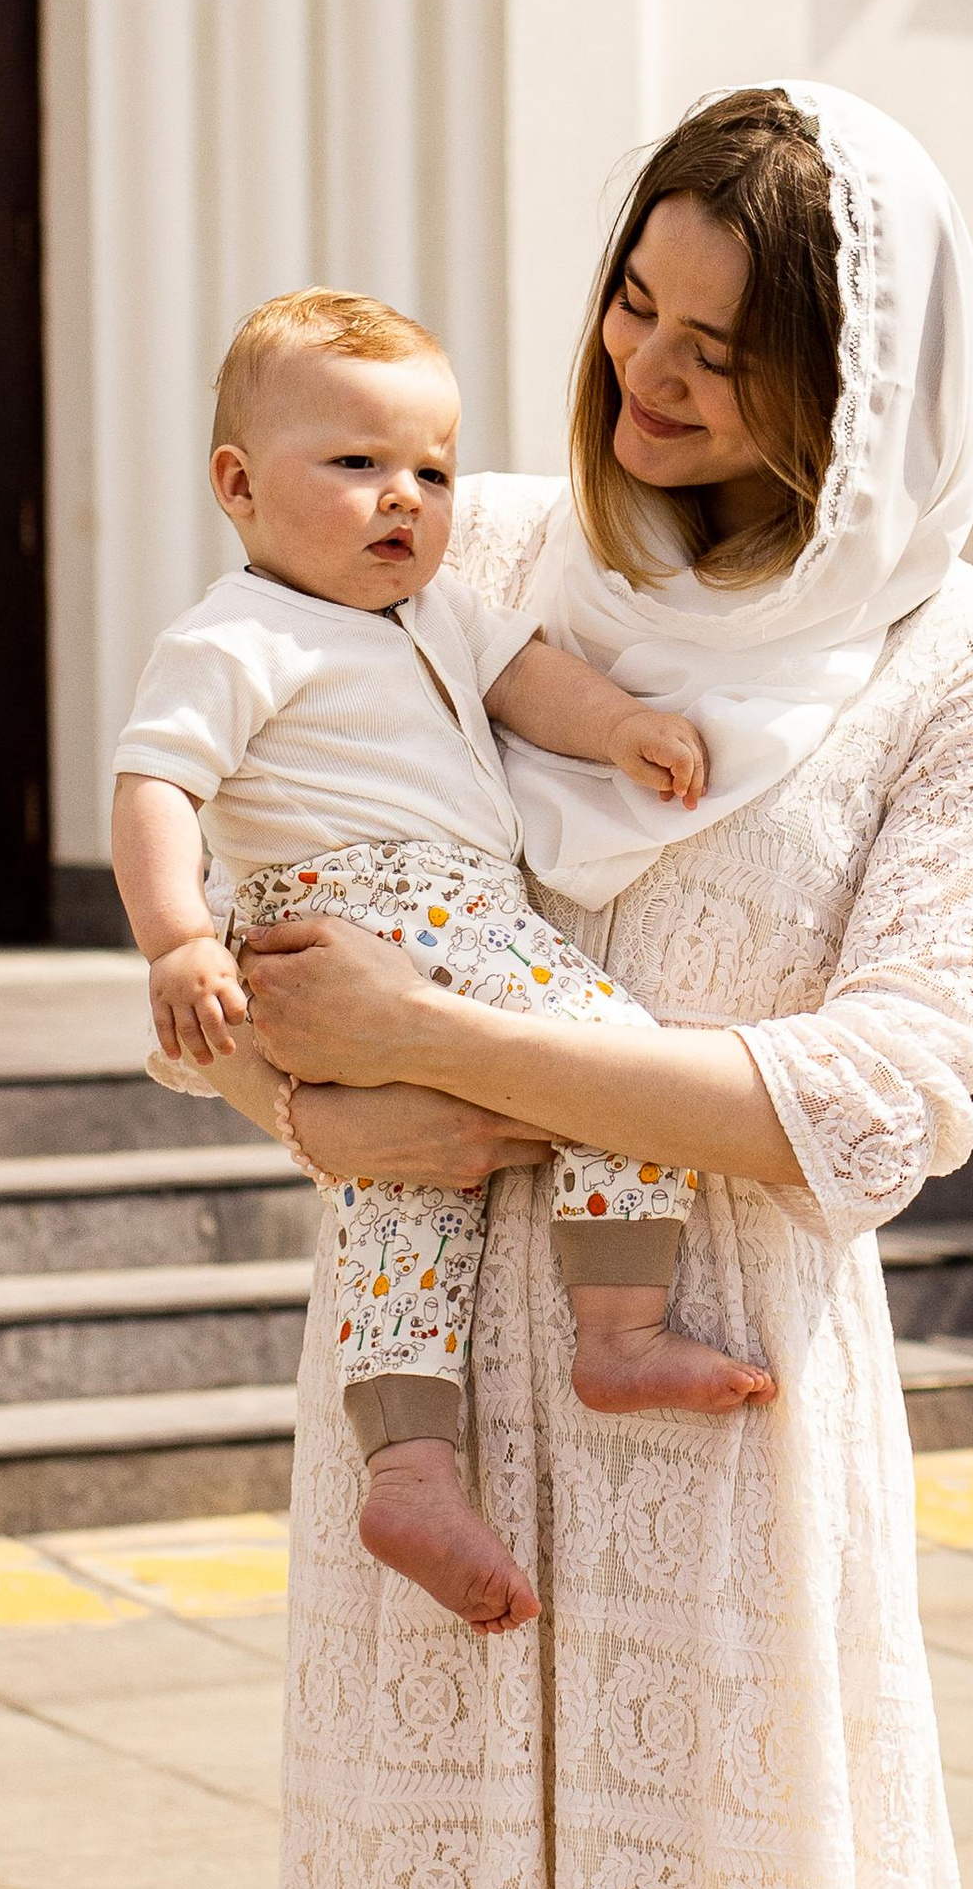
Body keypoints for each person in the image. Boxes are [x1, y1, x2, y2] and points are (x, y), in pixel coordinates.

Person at [190, 85, 973, 1889]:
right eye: (630, 301)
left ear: (859, 383)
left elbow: (882, 1095)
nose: (645, 377)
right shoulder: (466, 549)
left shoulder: (966, 662)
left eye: (722, 347)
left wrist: (440, 1045)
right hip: (429, 1415)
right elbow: (240, 870)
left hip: (726, 1443)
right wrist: (303, 1100)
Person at [110, 285, 775, 1633]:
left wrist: (621, 728)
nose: (404, 497)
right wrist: (179, 939)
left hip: (459, 917)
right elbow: (154, 787)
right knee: (618, 1062)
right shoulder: (236, 634)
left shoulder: (441, 612)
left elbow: (530, 677)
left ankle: (411, 1470)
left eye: (432, 468)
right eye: (356, 466)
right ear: (238, 485)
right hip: (364, 911)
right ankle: (620, 1332)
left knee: (407, 1216)